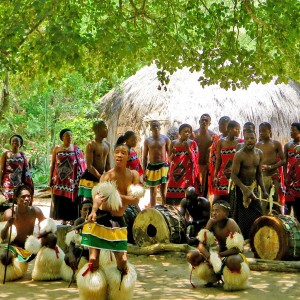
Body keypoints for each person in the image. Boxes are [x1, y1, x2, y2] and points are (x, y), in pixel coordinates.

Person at [78, 136, 145, 298]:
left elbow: (135, 200)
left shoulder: (133, 175)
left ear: (129, 156)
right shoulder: (107, 176)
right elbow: (98, 197)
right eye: (117, 153)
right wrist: (93, 211)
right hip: (101, 219)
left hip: (118, 221)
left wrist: (115, 195)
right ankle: (94, 294)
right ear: (113, 155)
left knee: (122, 262)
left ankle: (119, 294)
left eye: (123, 153)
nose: (119, 155)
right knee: (93, 261)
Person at [187, 200, 250, 291]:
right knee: (192, 255)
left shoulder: (231, 223)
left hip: (232, 255)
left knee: (232, 260)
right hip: (218, 255)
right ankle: (212, 278)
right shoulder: (211, 222)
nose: (213, 213)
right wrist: (209, 257)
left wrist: (219, 255)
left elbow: (238, 249)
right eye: (212, 210)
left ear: (226, 213)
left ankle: (234, 283)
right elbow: (201, 245)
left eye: (217, 211)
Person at [0, 185, 45, 281]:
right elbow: (2, 237)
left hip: (31, 245)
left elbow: (46, 228)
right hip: (15, 246)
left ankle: (47, 272)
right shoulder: (9, 213)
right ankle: (14, 273)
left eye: (28, 196)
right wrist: (8, 225)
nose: (27, 199)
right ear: (16, 198)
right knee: (5, 257)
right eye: (23, 197)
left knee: (50, 238)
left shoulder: (36, 211)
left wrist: (38, 238)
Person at [230, 130, 268, 239]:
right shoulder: (239, 155)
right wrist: (244, 189)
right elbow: (233, 175)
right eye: (247, 139)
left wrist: (264, 191)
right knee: (241, 218)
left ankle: (256, 238)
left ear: (256, 139)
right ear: (244, 140)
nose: (249, 141)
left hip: (253, 187)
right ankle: (242, 241)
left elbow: (259, 174)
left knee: (258, 214)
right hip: (239, 188)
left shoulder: (259, 153)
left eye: (252, 138)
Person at [49, 128, 86, 225]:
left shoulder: (76, 149)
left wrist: (81, 179)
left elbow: (82, 164)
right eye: (67, 136)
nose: (69, 137)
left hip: (72, 180)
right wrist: (50, 179)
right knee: (61, 200)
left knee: (72, 200)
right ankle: (63, 219)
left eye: (71, 136)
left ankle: (73, 218)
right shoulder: (57, 149)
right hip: (59, 180)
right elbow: (53, 164)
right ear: (62, 138)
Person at [166, 124, 200, 205]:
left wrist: (188, 149)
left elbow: (194, 160)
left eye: (189, 132)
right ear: (180, 132)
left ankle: (187, 216)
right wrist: (173, 154)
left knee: (187, 197)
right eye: (185, 131)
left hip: (187, 174)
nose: (187, 133)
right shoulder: (174, 143)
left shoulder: (193, 143)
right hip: (175, 174)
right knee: (172, 197)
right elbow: (169, 160)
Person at [256, 122, 285, 214]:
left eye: (264, 131)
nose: (261, 133)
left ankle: (276, 219)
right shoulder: (257, 145)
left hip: (274, 175)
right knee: (263, 199)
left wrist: (271, 167)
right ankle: (264, 219)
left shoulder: (276, 144)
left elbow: (284, 160)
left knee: (275, 198)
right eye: (260, 131)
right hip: (263, 176)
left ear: (270, 131)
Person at [78, 120, 110, 201]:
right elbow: (89, 166)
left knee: (101, 203)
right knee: (89, 203)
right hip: (90, 177)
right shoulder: (91, 145)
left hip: (101, 177)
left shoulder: (107, 145)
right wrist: (100, 177)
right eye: (105, 128)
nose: (107, 130)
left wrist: (109, 177)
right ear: (98, 130)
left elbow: (108, 165)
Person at [143, 120, 170, 206]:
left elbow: (169, 156)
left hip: (163, 167)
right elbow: (144, 157)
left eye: (157, 126)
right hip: (152, 167)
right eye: (153, 126)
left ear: (160, 127)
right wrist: (144, 172)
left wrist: (169, 170)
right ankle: (153, 211)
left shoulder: (165, 139)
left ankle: (165, 210)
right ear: (150, 128)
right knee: (153, 193)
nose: (155, 128)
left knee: (163, 192)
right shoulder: (147, 141)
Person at [213, 120, 241, 202]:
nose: (238, 132)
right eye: (236, 129)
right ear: (229, 130)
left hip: (236, 175)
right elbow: (218, 160)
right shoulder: (221, 142)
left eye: (239, 130)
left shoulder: (240, 142)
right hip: (223, 174)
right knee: (218, 198)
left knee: (234, 198)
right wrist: (215, 176)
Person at [0, 135, 34, 201]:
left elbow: (26, 171)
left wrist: (28, 183)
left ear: (20, 144)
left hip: (19, 184)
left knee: (18, 202)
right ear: (10, 143)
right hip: (7, 184)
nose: (15, 143)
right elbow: (1, 169)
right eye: (13, 141)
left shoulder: (22, 155)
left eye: (17, 141)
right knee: (7, 203)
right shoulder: (5, 154)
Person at [193, 114, 217, 198]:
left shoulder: (213, 136)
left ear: (209, 123)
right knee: (194, 188)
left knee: (205, 188)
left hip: (207, 166)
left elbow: (214, 152)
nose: (204, 122)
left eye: (206, 120)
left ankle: (205, 206)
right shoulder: (194, 134)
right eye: (202, 120)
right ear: (199, 121)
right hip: (195, 166)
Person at [208, 116, 231, 199]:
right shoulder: (217, 138)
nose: (220, 127)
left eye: (222, 124)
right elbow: (213, 154)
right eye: (219, 124)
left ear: (229, 125)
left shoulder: (235, 140)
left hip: (229, 168)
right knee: (217, 194)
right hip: (216, 167)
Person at [283, 122, 300, 219]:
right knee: (288, 204)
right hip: (290, 178)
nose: (291, 132)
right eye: (290, 130)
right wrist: (285, 177)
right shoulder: (287, 145)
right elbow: (284, 163)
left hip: (299, 178)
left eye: (293, 130)